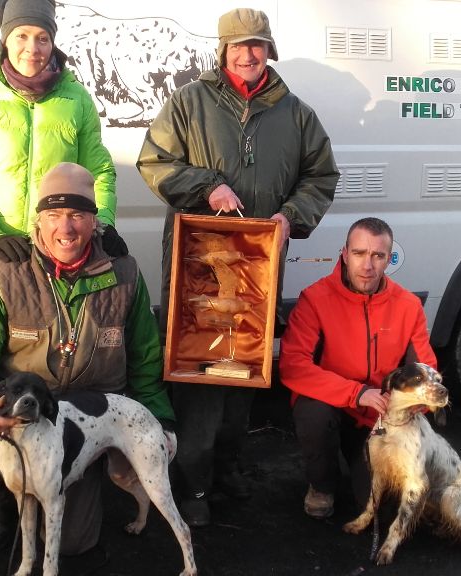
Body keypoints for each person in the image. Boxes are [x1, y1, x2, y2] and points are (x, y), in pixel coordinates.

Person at [136, 7, 339, 527]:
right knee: (198, 368)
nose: (248, 54)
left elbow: (321, 175)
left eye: (257, 45)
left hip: (259, 262)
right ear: (223, 51)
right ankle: (192, 485)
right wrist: (207, 186)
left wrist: (292, 217)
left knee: (244, 364)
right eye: (238, 46)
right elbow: (155, 162)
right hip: (198, 261)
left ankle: (228, 470)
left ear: (269, 50)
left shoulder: (296, 113)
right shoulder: (188, 102)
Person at [0, 162, 175, 568]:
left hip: (81, 421)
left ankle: (87, 469)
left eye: (78, 215)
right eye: (54, 215)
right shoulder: (6, 274)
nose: (66, 228)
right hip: (15, 410)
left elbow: (145, 357)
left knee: (73, 544)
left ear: (95, 221)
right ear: (38, 221)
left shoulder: (125, 274)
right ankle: (4, 504)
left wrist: (160, 421)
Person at [0, 0, 122, 306]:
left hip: (56, 251)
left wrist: (103, 223)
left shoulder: (76, 97)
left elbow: (98, 172)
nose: (32, 48)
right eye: (21, 35)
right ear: (5, 37)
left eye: (42, 38)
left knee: (50, 346)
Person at [278, 217, 437, 519]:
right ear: (344, 253)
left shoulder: (408, 305)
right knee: (312, 412)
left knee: (379, 509)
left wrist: (409, 402)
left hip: (378, 418)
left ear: (389, 259)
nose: (368, 265)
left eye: (378, 256)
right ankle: (322, 485)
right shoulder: (315, 299)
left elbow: (425, 370)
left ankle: (360, 463)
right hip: (335, 405)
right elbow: (293, 366)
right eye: (359, 253)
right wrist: (357, 393)